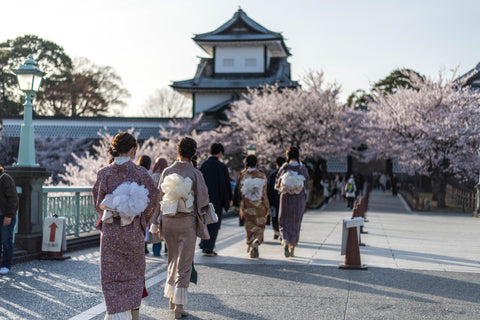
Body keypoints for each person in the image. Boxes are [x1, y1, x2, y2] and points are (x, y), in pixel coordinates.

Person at [92, 132, 160, 320]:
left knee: (111, 276)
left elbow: (98, 204)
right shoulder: (140, 173)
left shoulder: (104, 173)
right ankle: (133, 317)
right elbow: (154, 197)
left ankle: (114, 315)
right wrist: (141, 218)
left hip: (111, 233)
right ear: (133, 149)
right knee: (134, 276)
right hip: (132, 233)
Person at [151, 137, 210, 319]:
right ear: (193, 154)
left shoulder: (168, 171)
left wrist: (155, 221)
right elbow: (203, 201)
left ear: (177, 151)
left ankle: (171, 298)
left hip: (168, 221)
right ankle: (178, 305)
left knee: (172, 259)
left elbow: (158, 198)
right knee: (184, 263)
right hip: (187, 221)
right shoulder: (195, 174)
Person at [199, 143, 232, 257]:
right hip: (217, 200)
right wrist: (229, 199)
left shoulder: (204, 165)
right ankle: (208, 247)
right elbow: (226, 185)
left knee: (205, 222)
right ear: (220, 152)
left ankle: (204, 244)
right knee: (214, 223)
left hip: (204, 199)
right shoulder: (221, 166)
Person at [275, 147, 309, 258]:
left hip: (285, 197)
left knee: (283, 220)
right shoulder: (302, 168)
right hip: (298, 198)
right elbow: (307, 180)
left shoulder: (284, 168)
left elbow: (277, 183)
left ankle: (284, 240)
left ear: (287, 155)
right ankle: (292, 249)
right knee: (296, 222)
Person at [235, 155, 269, 258]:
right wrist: (267, 206)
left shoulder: (242, 176)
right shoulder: (261, 176)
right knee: (259, 226)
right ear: (256, 163)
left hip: (247, 206)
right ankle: (256, 242)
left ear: (246, 163)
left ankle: (251, 242)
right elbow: (264, 193)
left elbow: (240, 193)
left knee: (249, 226)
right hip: (259, 206)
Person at [0, 164, 19, 275]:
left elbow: (13, 199)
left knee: (6, 241)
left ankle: (6, 265)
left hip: (5, 216)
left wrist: (9, 215)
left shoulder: (5, 178)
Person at [149, 157, 169, 256]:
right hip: (166, 206)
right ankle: (167, 250)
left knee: (155, 230)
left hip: (154, 206)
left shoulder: (152, 176)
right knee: (166, 230)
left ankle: (156, 252)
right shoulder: (167, 176)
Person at [267, 156, 286, 240]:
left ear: (276, 164)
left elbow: (269, 189)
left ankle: (276, 232)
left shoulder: (272, 174)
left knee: (274, 217)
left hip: (274, 200)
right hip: (284, 200)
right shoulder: (286, 173)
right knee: (283, 217)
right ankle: (282, 233)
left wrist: (269, 202)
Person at [137, 155, 153, 254]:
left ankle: (139, 244)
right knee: (146, 225)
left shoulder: (136, 172)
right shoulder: (149, 174)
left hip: (137, 201)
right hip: (146, 202)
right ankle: (145, 245)